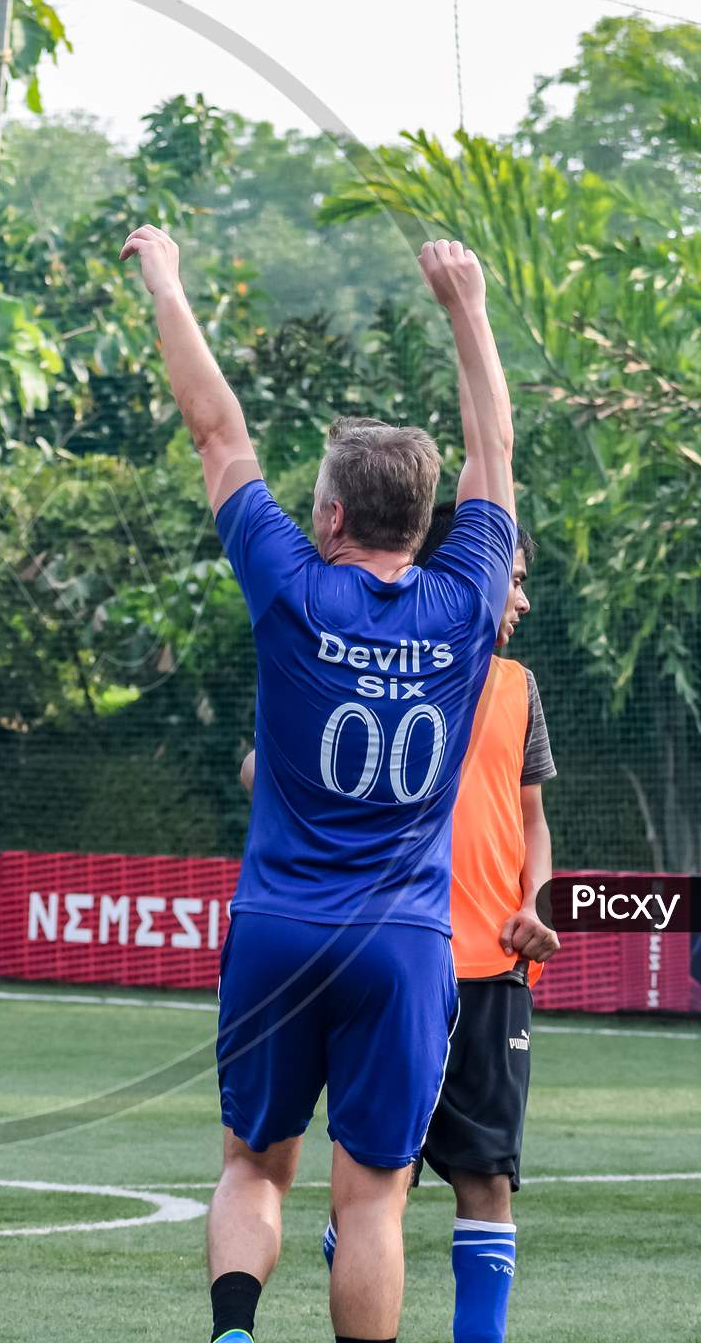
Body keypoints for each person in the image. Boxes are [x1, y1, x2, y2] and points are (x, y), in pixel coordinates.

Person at [123, 226, 516, 1343]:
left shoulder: (289, 586)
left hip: (278, 927)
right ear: (421, 518)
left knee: (254, 1161)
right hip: (401, 943)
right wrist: (465, 309)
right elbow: (493, 451)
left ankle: (236, 1335)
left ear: (332, 517)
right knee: (372, 1199)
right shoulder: (466, 603)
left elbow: (215, 426)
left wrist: (168, 280)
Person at [239, 503, 560, 1342]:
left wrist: (539, 901)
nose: (520, 601)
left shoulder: (519, 687)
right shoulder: (367, 660)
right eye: (513, 580)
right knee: (376, 1186)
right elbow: (261, 762)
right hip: (404, 955)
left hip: (490, 963)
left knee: (486, 1176)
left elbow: (531, 817)